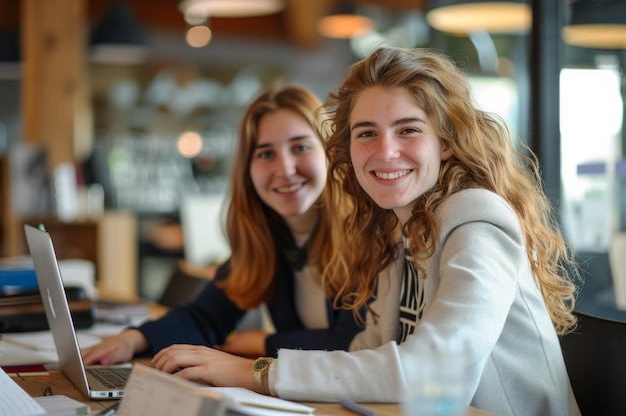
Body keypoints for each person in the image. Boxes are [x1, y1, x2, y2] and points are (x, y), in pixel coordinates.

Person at [149, 47, 581, 416]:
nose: (385, 151)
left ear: (445, 142)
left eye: (408, 129)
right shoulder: (400, 228)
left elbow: (437, 373)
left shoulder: (477, 219)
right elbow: (365, 351)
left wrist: (256, 371)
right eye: (366, 133)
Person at [82, 83, 364, 365]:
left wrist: (265, 341)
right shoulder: (269, 239)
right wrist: (133, 339)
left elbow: (355, 344)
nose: (285, 169)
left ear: (329, 152)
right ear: (248, 171)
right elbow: (205, 316)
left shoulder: (364, 236)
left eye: (300, 147)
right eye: (266, 154)